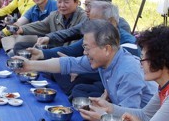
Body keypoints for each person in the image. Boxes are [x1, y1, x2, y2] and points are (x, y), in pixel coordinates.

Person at [16, 19, 156, 115]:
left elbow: (130, 116)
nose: (84, 52)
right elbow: (67, 63)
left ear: (106, 49)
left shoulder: (128, 70)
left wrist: (102, 115)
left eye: (87, 48)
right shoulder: (105, 58)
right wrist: (30, 65)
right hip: (118, 108)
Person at [16, 0, 86, 48]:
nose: (62, 5)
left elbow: (70, 33)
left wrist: (49, 38)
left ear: (76, 2)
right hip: (55, 49)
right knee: (19, 46)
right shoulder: (54, 15)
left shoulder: (84, 17)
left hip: (70, 55)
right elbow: (41, 25)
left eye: (66, 2)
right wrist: (22, 29)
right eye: (59, 1)